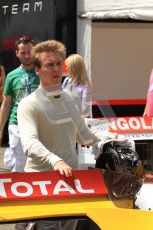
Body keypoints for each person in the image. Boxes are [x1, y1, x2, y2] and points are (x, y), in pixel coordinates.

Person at [0, 35, 39, 172]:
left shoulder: (43, 73)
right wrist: (0, 129)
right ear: (17, 53)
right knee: (18, 165)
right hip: (16, 124)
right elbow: (6, 104)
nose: (27, 56)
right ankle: (19, 189)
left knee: (38, 161)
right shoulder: (11, 76)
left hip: (38, 123)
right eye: (23, 52)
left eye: (30, 51)